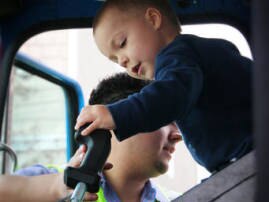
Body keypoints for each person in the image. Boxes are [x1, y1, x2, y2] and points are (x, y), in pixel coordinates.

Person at [75, 0, 253, 172]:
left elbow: (169, 97)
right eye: (114, 59)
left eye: (122, 44)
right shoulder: (198, 55)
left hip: (248, 157)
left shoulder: (178, 55)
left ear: (153, 19)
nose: (122, 61)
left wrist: (115, 115)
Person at [15, 72, 182, 201]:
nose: (178, 136)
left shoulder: (179, 199)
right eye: (163, 120)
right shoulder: (45, 184)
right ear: (109, 122)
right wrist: (53, 188)